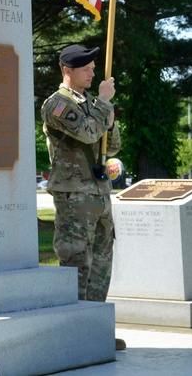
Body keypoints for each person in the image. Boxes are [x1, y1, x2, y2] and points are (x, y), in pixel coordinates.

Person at [41, 44, 125, 348]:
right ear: (68, 70)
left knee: (101, 265)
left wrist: (107, 115)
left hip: (99, 192)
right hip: (74, 194)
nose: (93, 72)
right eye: (86, 68)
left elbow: (111, 146)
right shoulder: (57, 105)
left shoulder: (92, 102)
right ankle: (73, 335)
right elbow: (89, 134)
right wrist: (104, 103)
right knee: (78, 261)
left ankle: (96, 331)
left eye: (92, 67)